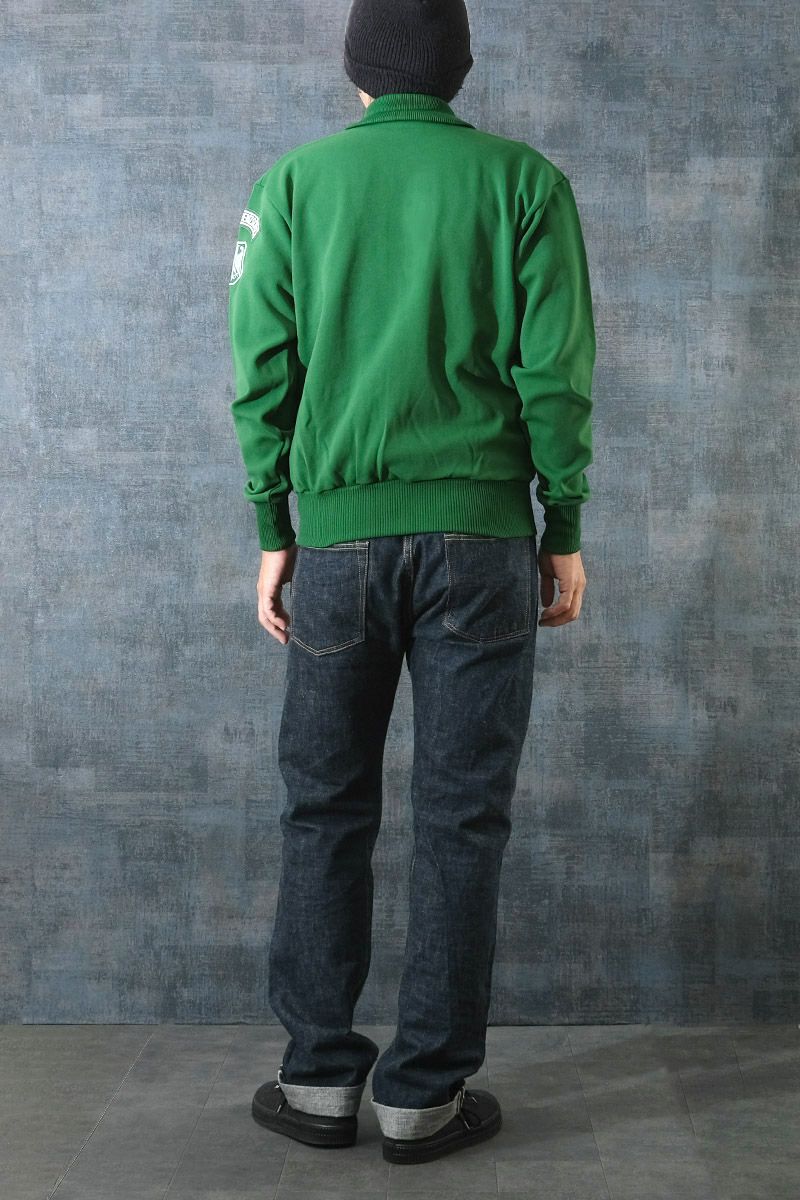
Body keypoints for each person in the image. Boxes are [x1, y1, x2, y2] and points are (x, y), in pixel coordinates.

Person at [227, 0, 595, 1167]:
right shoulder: (523, 183)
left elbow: (261, 369)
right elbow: (555, 373)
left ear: (356, 69)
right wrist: (560, 523)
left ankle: (317, 1079)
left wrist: (275, 525)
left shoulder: (294, 185)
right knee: (461, 815)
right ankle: (423, 1096)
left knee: (323, 806)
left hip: (337, 545)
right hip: (481, 545)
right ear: (458, 66)